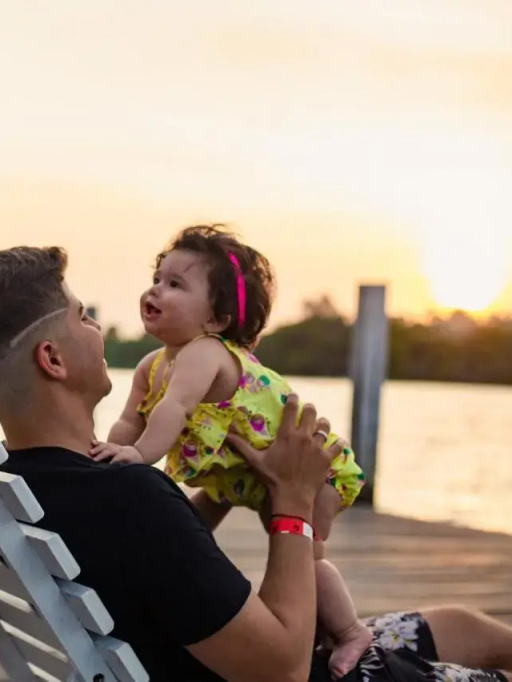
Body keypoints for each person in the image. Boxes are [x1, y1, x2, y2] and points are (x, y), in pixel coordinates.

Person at [0, 245, 512, 682]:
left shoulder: (22, 484)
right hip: (288, 671)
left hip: (207, 656)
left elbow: (154, 557)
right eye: (82, 318)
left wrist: (221, 490)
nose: (99, 328)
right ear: (52, 359)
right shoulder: (125, 492)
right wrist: (293, 499)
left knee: (464, 627)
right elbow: (281, 668)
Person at [88, 224, 370, 678]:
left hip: (314, 470)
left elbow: (175, 409)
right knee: (260, 547)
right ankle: (317, 629)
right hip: (251, 476)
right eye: (157, 278)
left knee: (308, 559)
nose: (156, 289)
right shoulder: (151, 365)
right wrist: (112, 452)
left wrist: (140, 457)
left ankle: (352, 630)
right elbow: (130, 420)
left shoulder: (205, 352)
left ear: (217, 320)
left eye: (175, 284)